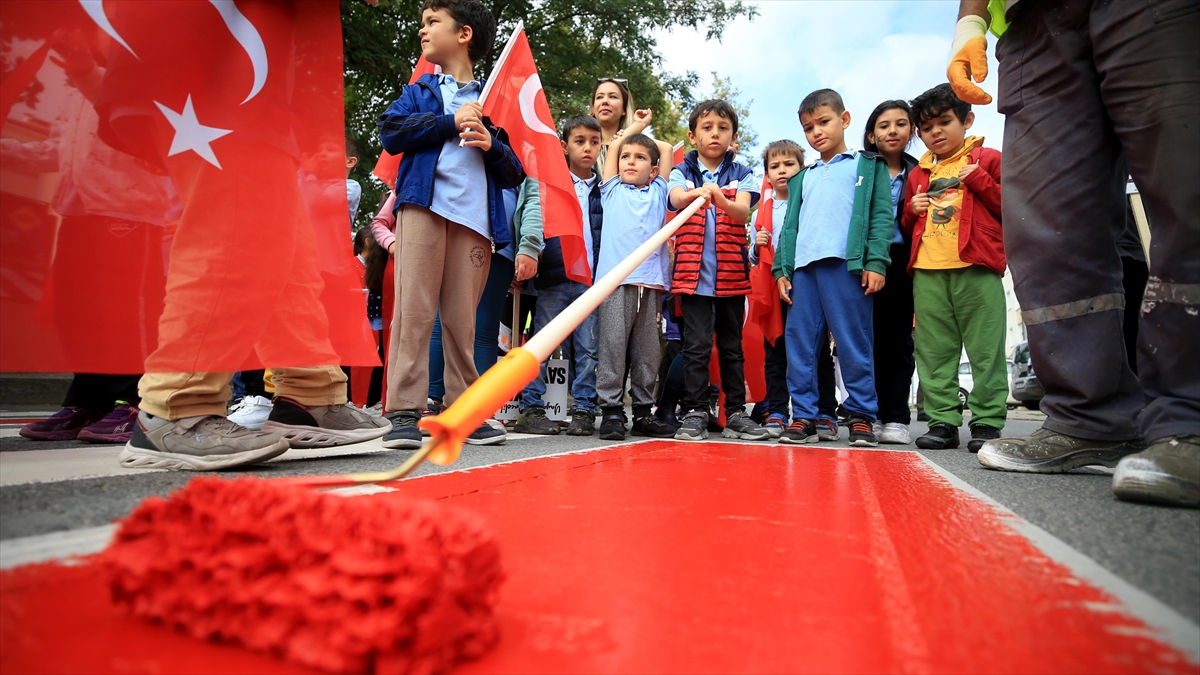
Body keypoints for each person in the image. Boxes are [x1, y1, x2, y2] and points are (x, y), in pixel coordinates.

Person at [950, 1, 1197, 506]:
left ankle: (1190, 416)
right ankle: (1090, 416)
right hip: (1034, 23)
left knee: (1185, 178)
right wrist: (970, 19)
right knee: (1046, 226)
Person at [375, 0, 524, 450]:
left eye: (432, 22)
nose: (423, 30)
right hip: (422, 210)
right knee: (414, 312)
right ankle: (404, 410)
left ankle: (464, 410)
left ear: (464, 35)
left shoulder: (490, 102)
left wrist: (491, 145)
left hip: (474, 223)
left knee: (463, 320)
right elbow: (392, 132)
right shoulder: (421, 90)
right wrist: (448, 121)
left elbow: (514, 172)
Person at [771, 89, 893, 447]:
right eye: (809, 128)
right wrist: (782, 269)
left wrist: (876, 261)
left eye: (823, 122)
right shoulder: (801, 178)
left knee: (854, 343)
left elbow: (882, 217)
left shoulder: (867, 166)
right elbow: (789, 227)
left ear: (845, 120)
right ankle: (805, 416)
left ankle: (861, 415)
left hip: (847, 267)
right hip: (804, 272)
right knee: (801, 345)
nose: (817, 132)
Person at [901, 84, 1006, 452]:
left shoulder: (989, 158)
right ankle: (943, 420)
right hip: (928, 271)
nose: (936, 132)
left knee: (985, 349)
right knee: (933, 351)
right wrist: (910, 211)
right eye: (927, 128)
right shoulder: (918, 173)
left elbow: (1011, 207)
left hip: (977, 266)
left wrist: (978, 178)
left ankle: (988, 422)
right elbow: (906, 226)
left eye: (945, 122)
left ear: (967, 120)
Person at [666, 100, 768, 442]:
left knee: (731, 346)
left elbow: (742, 211)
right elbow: (676, 196)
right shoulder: (683, 170)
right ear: (693, 136)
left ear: (733, 137)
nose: (715, 133)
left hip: (730, 277)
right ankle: (696, 410)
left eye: (722, 128)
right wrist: (697, 192)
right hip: (691, 278)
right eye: (707, 128)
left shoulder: (742, 173)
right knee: (694, 346)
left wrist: (719, 199)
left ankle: (735, 411)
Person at [514, 115, 606, 436]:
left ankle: (583, 408)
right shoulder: (551, 183)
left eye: (595, 142)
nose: (588, 148)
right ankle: (531, 407)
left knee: (587, 346)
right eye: (580, 141)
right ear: (564, 147)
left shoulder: (604, 189)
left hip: (589, 281)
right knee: (542, 342)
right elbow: (531, 218)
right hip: (554, 277)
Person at [595, 130, 680, 441]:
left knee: (647, 351)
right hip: (616, 283)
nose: (630, 161)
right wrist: (632, 130)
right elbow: (614, 146)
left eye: (640, 158)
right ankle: (612, 412)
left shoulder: (659, 189)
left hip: (652, 284)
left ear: (654, 170)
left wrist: (645, 131)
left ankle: (643, 412)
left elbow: (667, 148)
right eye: (626, 158)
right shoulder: (612, 190)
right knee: (613, 347)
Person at [862, 101, 920, 445]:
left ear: (911, 131)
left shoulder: (920, 171)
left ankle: (895, 416)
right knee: (864, 340)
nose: (892, 131)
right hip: (864, 259)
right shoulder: (861, 169)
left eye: (901, 124)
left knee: (898, 340)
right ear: (871, 134)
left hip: (902, 261)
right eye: (884, 125)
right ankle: (866, 414)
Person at [748, 140, 805, 438]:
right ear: (767, 174)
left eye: (789, 164)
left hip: (804, 284)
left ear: (801, 168)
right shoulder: (763, 211)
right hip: (772, 289)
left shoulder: (807, 200)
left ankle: (818, 412)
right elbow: (753, 256)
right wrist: (757, 249)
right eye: (775, 166)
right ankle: (778, 410)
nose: (782, 171)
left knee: (811, 351)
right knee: (775, 354)